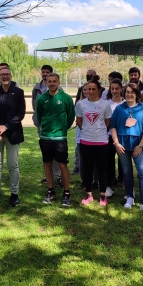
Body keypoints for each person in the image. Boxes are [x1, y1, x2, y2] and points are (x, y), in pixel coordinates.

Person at [110, 83, 143, 214]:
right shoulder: (119, 109)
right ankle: (130, 197)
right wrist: (117, 143)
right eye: (127, 92)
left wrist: (140, 145)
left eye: (132, 92)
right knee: (127, 172)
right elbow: (113, 126)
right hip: (123, 144)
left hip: (138, 145)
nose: (129, 94)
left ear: (137, 94)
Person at [0, 66, 26, 207]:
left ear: (11, 75)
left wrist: (5, 127)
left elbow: (20, 114)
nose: (5, 77)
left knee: (12, 165)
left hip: (12, 134)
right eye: (2, 74)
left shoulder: (18, 92)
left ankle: (14, 194)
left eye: (7, 74)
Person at [36, 72, 75, 207]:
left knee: (62, 164)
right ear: (46, 83)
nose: (52, 83)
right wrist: (46, 128)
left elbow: (70, 117)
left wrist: (62, 129)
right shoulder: (42, 99)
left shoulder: (66, 98)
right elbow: (39, 116)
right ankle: (50, 191)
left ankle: (66, 192)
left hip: (60, 137)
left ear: (58, 83)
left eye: (54, 81)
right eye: (49, 81)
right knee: (47, 164)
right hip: (46, 137)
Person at [75, 76, 112, 206]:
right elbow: (79, 121)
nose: (90, 91)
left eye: (93, 89)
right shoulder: (81, 104)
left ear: (99, 90)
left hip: (101, 142)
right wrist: (87, 131)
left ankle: (102, 195)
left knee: (101, 169)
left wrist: (97, 132)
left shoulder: (105, 105)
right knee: (88, 168)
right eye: (88, 89)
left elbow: (107, 123)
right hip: (85, 141)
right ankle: (89, 194)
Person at [33, 64, 61, 186]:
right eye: (43, 72)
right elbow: (36, 106)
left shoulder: (60, 90)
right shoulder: (36, 88)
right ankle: (48, 175)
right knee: (46, 152)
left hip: (56, 127)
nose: (45, 74)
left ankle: (58, 176)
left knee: (57, 153)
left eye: (47, 72)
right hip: (43, 126)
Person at [105, 78, 125, 197]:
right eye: (112, 88)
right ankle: (110, 178)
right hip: (109, 135)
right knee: (109, 159)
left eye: (117, 88)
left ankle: (121, 179)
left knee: (122, 158)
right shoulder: (106, 103)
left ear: (121, 89)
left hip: (122, 136)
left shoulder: (124, 103)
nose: (114, 91)